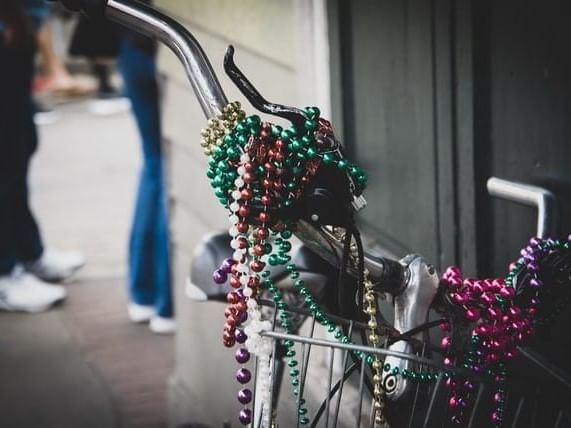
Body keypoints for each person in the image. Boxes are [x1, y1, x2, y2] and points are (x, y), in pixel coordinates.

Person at [0, 0, 85, 313]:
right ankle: (5, 273)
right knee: (5, 162)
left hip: (19, 28)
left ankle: (27, 252)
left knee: (19, 149)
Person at [118, 25, 175, 334]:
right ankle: (165, 303)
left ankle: (144, 295)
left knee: (154, 166)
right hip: (157, 50)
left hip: (132, 47)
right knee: (165, 169)